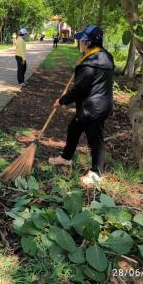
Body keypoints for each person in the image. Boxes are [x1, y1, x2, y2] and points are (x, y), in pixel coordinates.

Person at [49, 25, 114, 186]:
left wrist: (62, 101)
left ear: (89, 42)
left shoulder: (90, 63)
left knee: (95, 140)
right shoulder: (105, 56)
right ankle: (66, 158)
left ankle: (96, 173)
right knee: (73, 129)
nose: (80, 42)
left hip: (93, 108)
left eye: (82, 40)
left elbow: (79, 89)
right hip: (96, 104)